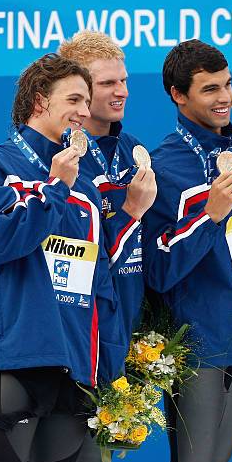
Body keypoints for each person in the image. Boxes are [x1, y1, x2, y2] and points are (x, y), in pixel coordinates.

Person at [0, 53, 125, 462]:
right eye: (74, 100)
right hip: (17, 358)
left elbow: (98, 278)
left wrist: (111, 364)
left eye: (87, 100)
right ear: (38, 101)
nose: (85, 111)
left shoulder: (83, 184)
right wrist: (54, 189)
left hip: (75, 363)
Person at [141, 39, 232, 462]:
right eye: (209, 89)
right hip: (197, 346)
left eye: (227, 84)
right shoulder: (162, 167)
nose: (224, 97)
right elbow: (157, 270)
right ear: (178, 95)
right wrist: (209, 217)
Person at [59, 30, 156, 354]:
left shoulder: (134, 150)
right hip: (83, 338)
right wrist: (130, 209)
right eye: (108, 84)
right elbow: (79, 262)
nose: (122, 92)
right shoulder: (61, 162)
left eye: (123, 81)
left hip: (139, 338)